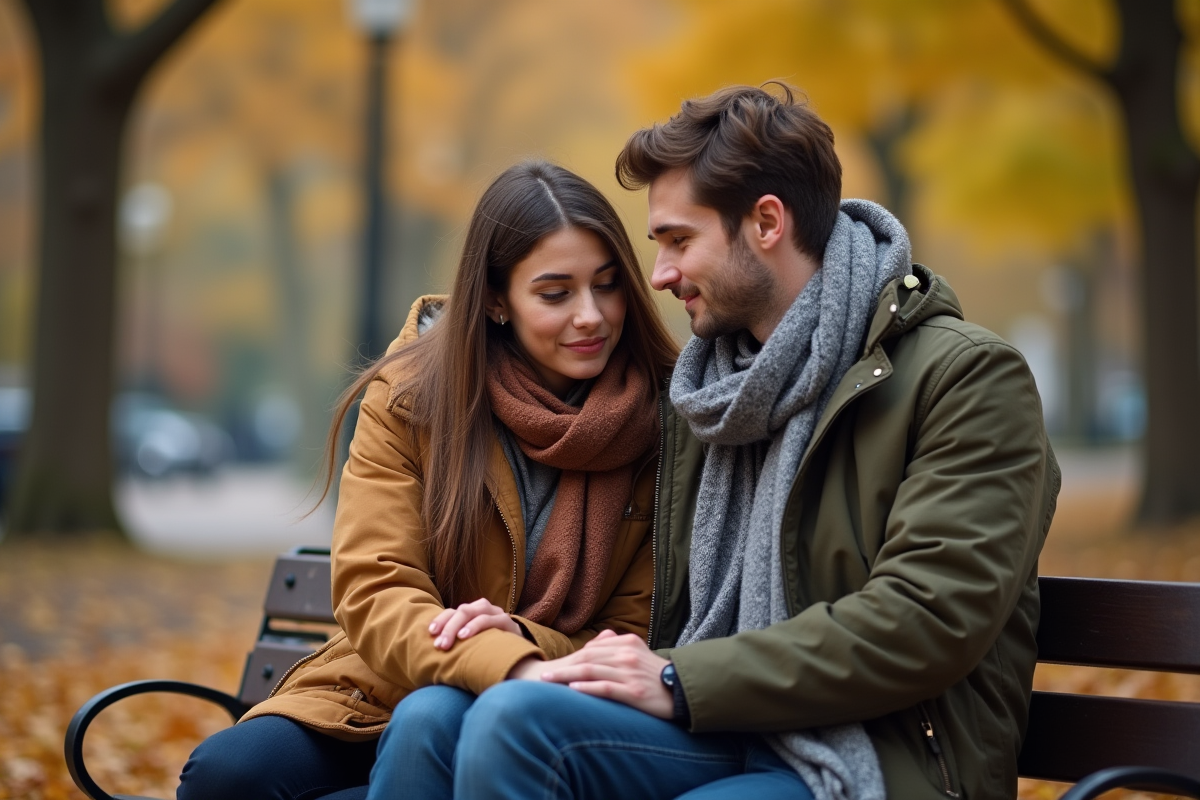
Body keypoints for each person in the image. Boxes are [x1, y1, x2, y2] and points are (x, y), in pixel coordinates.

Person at [431, 85, 1060, 800]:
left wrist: (678, 678)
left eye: (678, 240)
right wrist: (518, 634)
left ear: (766, 222)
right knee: (509, 719)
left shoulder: (965, 378)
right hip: (723, 730)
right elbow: (648, 612)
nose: (660, 275)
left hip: (878, 757)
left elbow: (925, 619)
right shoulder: (709, 396)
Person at [175, 160, 679, 800]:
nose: (592, 316)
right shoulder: (414, 399)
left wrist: (520, 643)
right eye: (556, 293)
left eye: (607, 286)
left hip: (553, 707)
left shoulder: (660, 420)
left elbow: (635, 627)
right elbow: (377, 586)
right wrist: (504, 662)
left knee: (434, 724)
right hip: (389, 684)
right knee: (227, 779)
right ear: (496, 299)